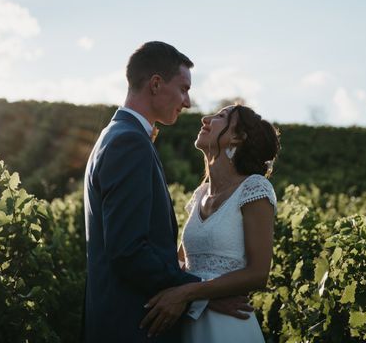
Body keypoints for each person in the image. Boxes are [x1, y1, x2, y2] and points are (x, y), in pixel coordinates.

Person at [83, 42, 251, 343]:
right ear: (156, 84)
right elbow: (128, 250)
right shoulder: (130, 143)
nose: (187, 102)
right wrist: (201, 295)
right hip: (133, 325)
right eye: (184, 89)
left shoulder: (115, 135)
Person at [140, 104, 281, 342]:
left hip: (228, 327)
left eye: (221, 117)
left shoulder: (254, 188)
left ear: (238, 137)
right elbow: (181, 261)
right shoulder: (200, 194)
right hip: (191, 319)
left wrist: (187, 292)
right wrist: (203, 298)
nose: (205, 119)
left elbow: (258, 274)